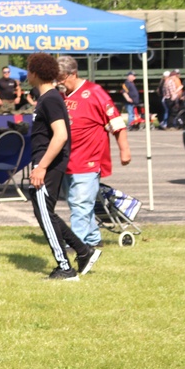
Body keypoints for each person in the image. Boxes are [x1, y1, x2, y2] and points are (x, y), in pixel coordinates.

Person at [25, 53, 99, 280]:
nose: (27, 74)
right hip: (45, 163)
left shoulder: (50, 99)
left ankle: (65, 268)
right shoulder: (47, 98)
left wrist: (41, 167)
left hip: (47, 164)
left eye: (28, 70)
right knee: (45, 212)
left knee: (44, 213)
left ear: (35, 73)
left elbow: (61, 136)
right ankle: (83, 250)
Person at [57, 56, 131, 250]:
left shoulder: (95, 92)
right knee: (76, 203)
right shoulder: (62, 95)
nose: (59, 82)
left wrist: (124, 150)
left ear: (73, 74)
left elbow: (116, 122)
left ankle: (77, 244)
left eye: (62, 77)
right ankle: (93, 239)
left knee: (81, 203)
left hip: (89, 160)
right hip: (68, 160)